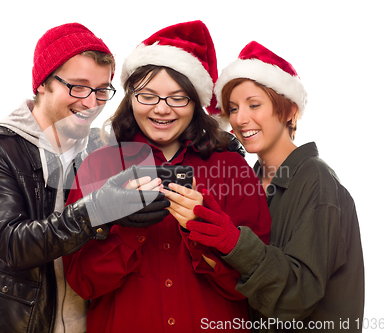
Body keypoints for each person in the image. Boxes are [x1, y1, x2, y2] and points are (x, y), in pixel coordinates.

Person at [62, 21, 271, 333]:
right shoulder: (99, 166)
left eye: (177, 97)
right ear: (130, 97)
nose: (161, 110)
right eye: (147, 96)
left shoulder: (232, 168)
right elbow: (83, 282)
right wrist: (129, 227)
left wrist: (209, 231)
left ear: (196, 101)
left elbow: (260, 287)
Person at [0, 23, 169, 333]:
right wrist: (98, 210)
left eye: (101, 90)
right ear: (43, 83)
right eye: (78, 86)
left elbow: (163, 135)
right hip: (11, 324)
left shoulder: (101, 147)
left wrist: (214, 141)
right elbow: (12, 244)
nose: (91, 102)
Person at [187, 41, 365, 332]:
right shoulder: (249, 180)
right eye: (233, 108)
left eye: (254, 105)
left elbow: (298, 295)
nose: (240, 119)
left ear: (288, 110)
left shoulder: (317, 183)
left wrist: (234, 243)